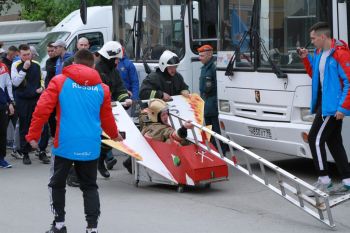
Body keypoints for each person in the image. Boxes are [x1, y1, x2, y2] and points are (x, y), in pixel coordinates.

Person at [25, 49, 122, 233]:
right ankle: (92, 228)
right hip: (90, 144)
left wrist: (33, 135)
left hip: (65, 144)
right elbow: (107, 118)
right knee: (90, 187)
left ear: (73, 63)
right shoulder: (103, 88)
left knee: (57, 184)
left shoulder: (59, 81)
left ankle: (59, 225)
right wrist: (114, 134)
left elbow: (42, 110)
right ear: (92, 65)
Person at [298, 22, 350, 196]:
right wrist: (306, 58)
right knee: (334, 142)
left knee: (315, 139)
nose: (311, 42)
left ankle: (324, 180)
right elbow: (316, 76)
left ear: (323, 37)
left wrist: (343, 108)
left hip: (332, 108)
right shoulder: (319, 53)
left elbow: (349, 83)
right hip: (324, 105)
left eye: (313, 38)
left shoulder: (340, 54)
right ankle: (348, 181)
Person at [95, 41, 132, 177]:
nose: (117, 62)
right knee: (99, 138)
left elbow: (119, 88)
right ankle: (90, 166)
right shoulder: (96, 71)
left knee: (112, 136)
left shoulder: (113, 71)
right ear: (108, 58)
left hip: (110, 110)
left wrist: (124, 99)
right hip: (97, 112)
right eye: (116, 59)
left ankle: (100, 161)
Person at [11, 44, 50, 165]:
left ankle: (42, 151)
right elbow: (15, 82)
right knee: (25, 125)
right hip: (22, 100)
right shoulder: (16, 65)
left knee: (43, 125)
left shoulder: (37, 65)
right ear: (19, 54)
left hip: (36, 98)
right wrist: (24, 69)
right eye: (24, 55)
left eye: (29, 54)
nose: (27, 57)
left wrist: (42, 87)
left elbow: (42, 79)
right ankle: (25, 152)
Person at [197, 44, 227, 153]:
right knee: (209, 131)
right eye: (199, 56)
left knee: (217, 132)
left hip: (213, 104)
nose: (200, 58)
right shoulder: (204, 67)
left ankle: (220, 152)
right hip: (206, 104)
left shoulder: (214, 67)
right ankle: (213, 152)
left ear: (210, 54)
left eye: (202, 56)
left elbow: (218, 87)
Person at [0, 59, 15, 168]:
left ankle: (1, 159)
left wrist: (10, 102)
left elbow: (8, 85)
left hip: (2, 105)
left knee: (2, 133)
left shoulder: (3, 67)